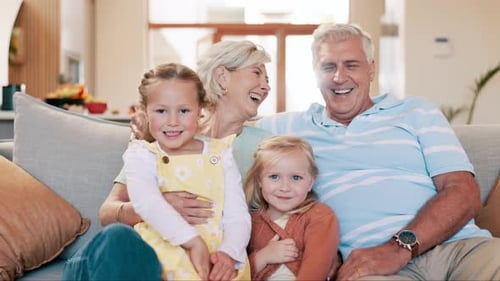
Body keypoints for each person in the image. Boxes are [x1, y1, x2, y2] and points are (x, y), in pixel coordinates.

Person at [255, 23, 500, 280]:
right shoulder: (288, 127)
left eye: (351, 65)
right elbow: (221, 125)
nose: (339, 77)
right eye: (328, 67)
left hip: (459, 249)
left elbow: (463, 192)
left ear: (371, 69)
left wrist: (398, 248)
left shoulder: (416, 112)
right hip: (368, 267)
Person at [62, 40, 272, 280]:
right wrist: (157, 205)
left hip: (207, 258)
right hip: (138, 254)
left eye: (184, 111)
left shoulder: (261, 148)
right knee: (118, 239)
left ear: (197, 106)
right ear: (222, 76)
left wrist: (232, 251)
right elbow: (108, 212)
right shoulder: (153, 144)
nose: (266, 87)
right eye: (257, 73)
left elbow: (265, 211)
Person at [123, 62, 251, 280]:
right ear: (144, 111)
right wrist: (193, 242)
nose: (173, 122)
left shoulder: (221, 153)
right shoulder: (142, 154)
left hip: (219, 255)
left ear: (200, 110)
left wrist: (229, 252)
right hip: (165, 250)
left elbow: (237, 214)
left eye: (184, 111)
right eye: (161, 111)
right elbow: (147, 203)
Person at [245, 135, 339, 280]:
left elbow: (316, 268)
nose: (285, 187)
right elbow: (235, 273)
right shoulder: (248, 221)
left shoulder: (320, 216)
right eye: (274, 177)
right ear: (259, 180)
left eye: (296, 178)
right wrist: (263, 257)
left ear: (310, 182)